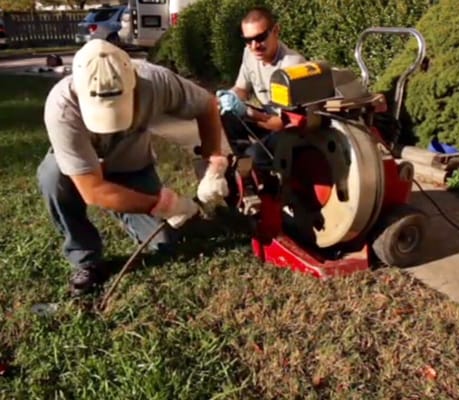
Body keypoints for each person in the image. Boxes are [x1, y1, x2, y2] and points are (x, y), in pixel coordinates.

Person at [37, 39, 229, 296]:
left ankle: (128, 204)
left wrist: (213, 161)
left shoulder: (156, 81)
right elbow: (93, 190)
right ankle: (85, 259)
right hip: (85, 173)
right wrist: (166, 204)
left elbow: (207, 105)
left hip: (132, 167)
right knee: (52, 177)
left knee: (166, 244)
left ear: (133, 81)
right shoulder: (62, 107)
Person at [216, 6, 306, 168]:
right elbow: (242, 89)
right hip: (269, 119)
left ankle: (266, 175)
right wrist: (230, 97)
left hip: (293, 131)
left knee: (254, 155)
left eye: (261, 37)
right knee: (228, 113)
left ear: (276, 31)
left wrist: (248, 112)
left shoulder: (291, 66)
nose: (254, 46)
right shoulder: (249, 53)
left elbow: (282, 124)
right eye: (248, 40)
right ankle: (246, 168)